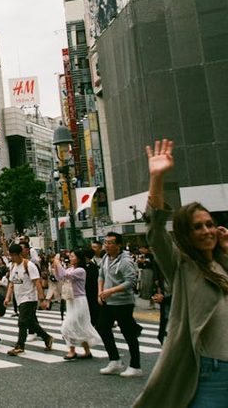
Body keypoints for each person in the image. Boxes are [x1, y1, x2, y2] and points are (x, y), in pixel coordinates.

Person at [134, 140, 228, 407]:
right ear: (186, 234)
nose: (207, 230)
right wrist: (157, 177)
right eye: (197, 227)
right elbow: (155, 232)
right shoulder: (182, 266)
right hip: (212, 371)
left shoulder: (222, 265)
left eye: (210, 224)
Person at [96, 231, 142, 377]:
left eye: (110, 243)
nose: (107, 246)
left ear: (119, 245)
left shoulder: (125, 261)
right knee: (102, 327)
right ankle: (114, 360)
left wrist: (111, 291)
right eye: (105, 242)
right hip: (108, 301)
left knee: (128, 333)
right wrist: (100, 292)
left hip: (123, 302)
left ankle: (136, 366)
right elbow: (101, 276)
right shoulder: (105, 258)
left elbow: (131, 282)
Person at [3, 243, 53, 356]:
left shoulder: (29, 265)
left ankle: (20, 346)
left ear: (19, 254)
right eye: (10, 255)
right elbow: (11, 283)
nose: (12, 258)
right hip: (19, 298)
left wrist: (42, 299)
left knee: (22, 322)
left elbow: (37, 283)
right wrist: (7, 297)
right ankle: (47, 337)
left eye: (13, 255)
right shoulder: (12, 266)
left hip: (29, 298)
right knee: (30, 323)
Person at [53, 250, 99, 360]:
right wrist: (55, 266)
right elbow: (60, 277)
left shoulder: (81, 270)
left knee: (69, 325)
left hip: (79, 301)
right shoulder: (70, 269)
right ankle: (86, 351)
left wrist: (57, 263)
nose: (71, 258)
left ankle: (72, 351)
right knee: (79, 326)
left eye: (73, 256)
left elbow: (65, 275)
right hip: (71, 300)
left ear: (79, 258)